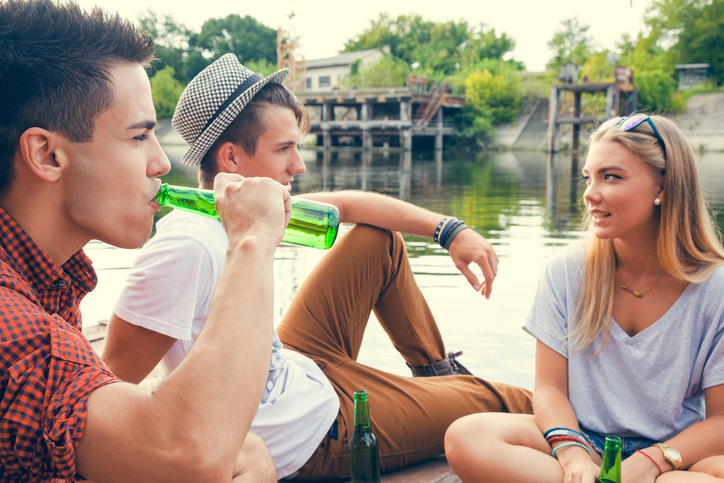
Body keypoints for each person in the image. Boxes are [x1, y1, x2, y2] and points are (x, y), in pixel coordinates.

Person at [101, 53, 534, 480]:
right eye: (284, 149)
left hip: (296, 366)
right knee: (505, 401)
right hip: (313, 434)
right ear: (231, 159)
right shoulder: (186, 246)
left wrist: (449, 230)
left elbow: (348, 205)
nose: (299, 165)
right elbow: (109, 388)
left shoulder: (241, 210)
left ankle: (437, 378)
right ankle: (469, 399)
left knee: (376, 240)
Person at [0, 1, 283, 481]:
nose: (162, 163)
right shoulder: (11, 322)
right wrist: (253, 239)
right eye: (138, 138)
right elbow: (186, 451)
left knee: (249, 453)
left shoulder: (49, 275)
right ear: (46, 155)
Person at [444, 114, 724, 483]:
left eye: (611, 177)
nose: (589, 194)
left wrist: (653, 461)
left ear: (664, 186)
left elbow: (720, 420)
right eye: (588, 177)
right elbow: (549, 389)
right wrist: (574, 458)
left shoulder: (715, 288)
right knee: (468, 437)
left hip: (674, 454)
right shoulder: (565, 271)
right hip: (583, 440)